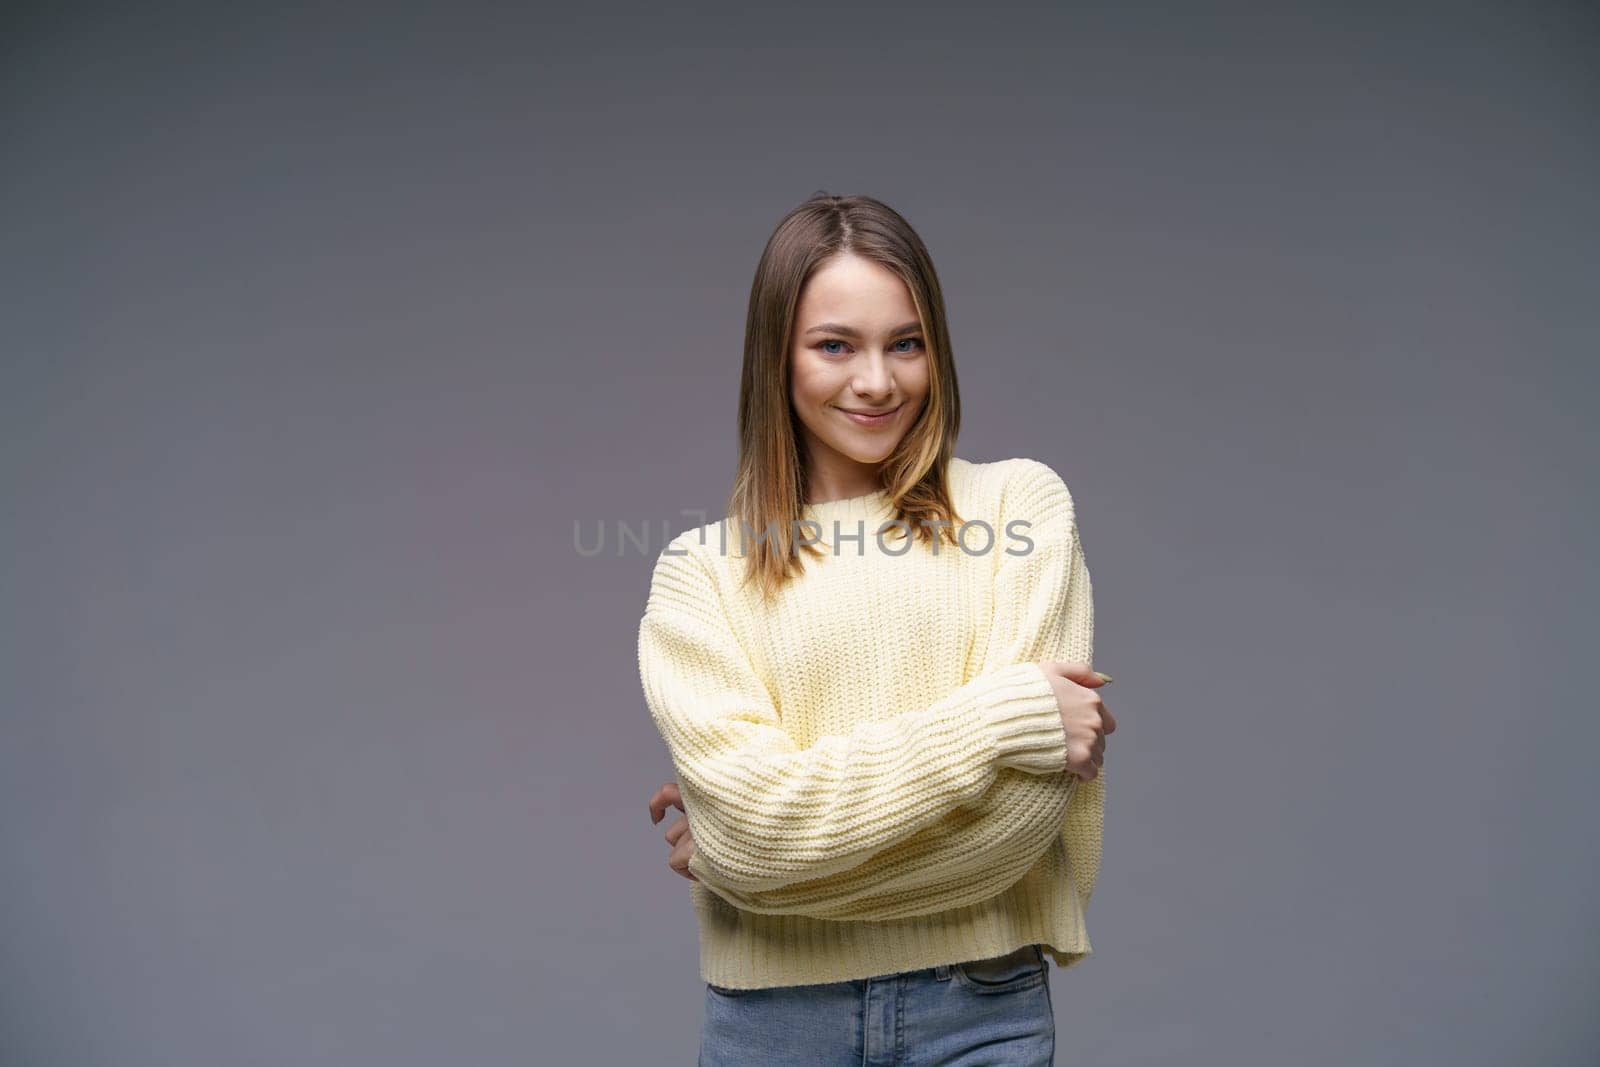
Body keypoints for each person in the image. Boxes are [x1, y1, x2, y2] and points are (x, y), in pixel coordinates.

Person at [637, 192, 1117, 1066]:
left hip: (984, 1008)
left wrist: (761, 863)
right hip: (772, 1025)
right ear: (774, 357)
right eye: (835, 345)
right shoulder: (701, 571)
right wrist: (1001, 717)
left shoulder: (1020, 505)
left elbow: (1012, 834)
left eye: (906, 342)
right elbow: (751, 842)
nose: (877, 381)